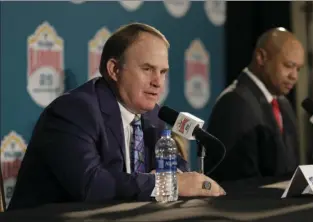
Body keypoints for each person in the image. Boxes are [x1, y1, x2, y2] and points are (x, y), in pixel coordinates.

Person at [8, 23, 225, 210]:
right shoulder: (73, 111)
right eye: (147, 69)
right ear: (114, 69)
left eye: (163, 72)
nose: (158, 82)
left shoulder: (153, 115)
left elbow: (177, 170)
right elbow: (91, 185)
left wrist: (181, 179)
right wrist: (164, 184)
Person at [205, 28, 305, 182]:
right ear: (261, 57)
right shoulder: (235, 103)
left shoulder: (283, 104)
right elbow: (236, 180)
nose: (294, 76)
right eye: (288, 66)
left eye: (298, 69)